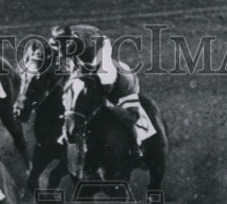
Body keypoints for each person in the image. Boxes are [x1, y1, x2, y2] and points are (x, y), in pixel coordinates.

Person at [49, 23, 151, 160]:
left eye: (64, 45)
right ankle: (66, 129)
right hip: (84, 54)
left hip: (99, 48)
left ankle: (135, 144)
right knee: (70, 90)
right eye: (58, 45)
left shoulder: (87, 45)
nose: (60, 49)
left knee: (104, 83)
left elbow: (94, 67)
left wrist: (92, 78)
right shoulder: (60, 45)